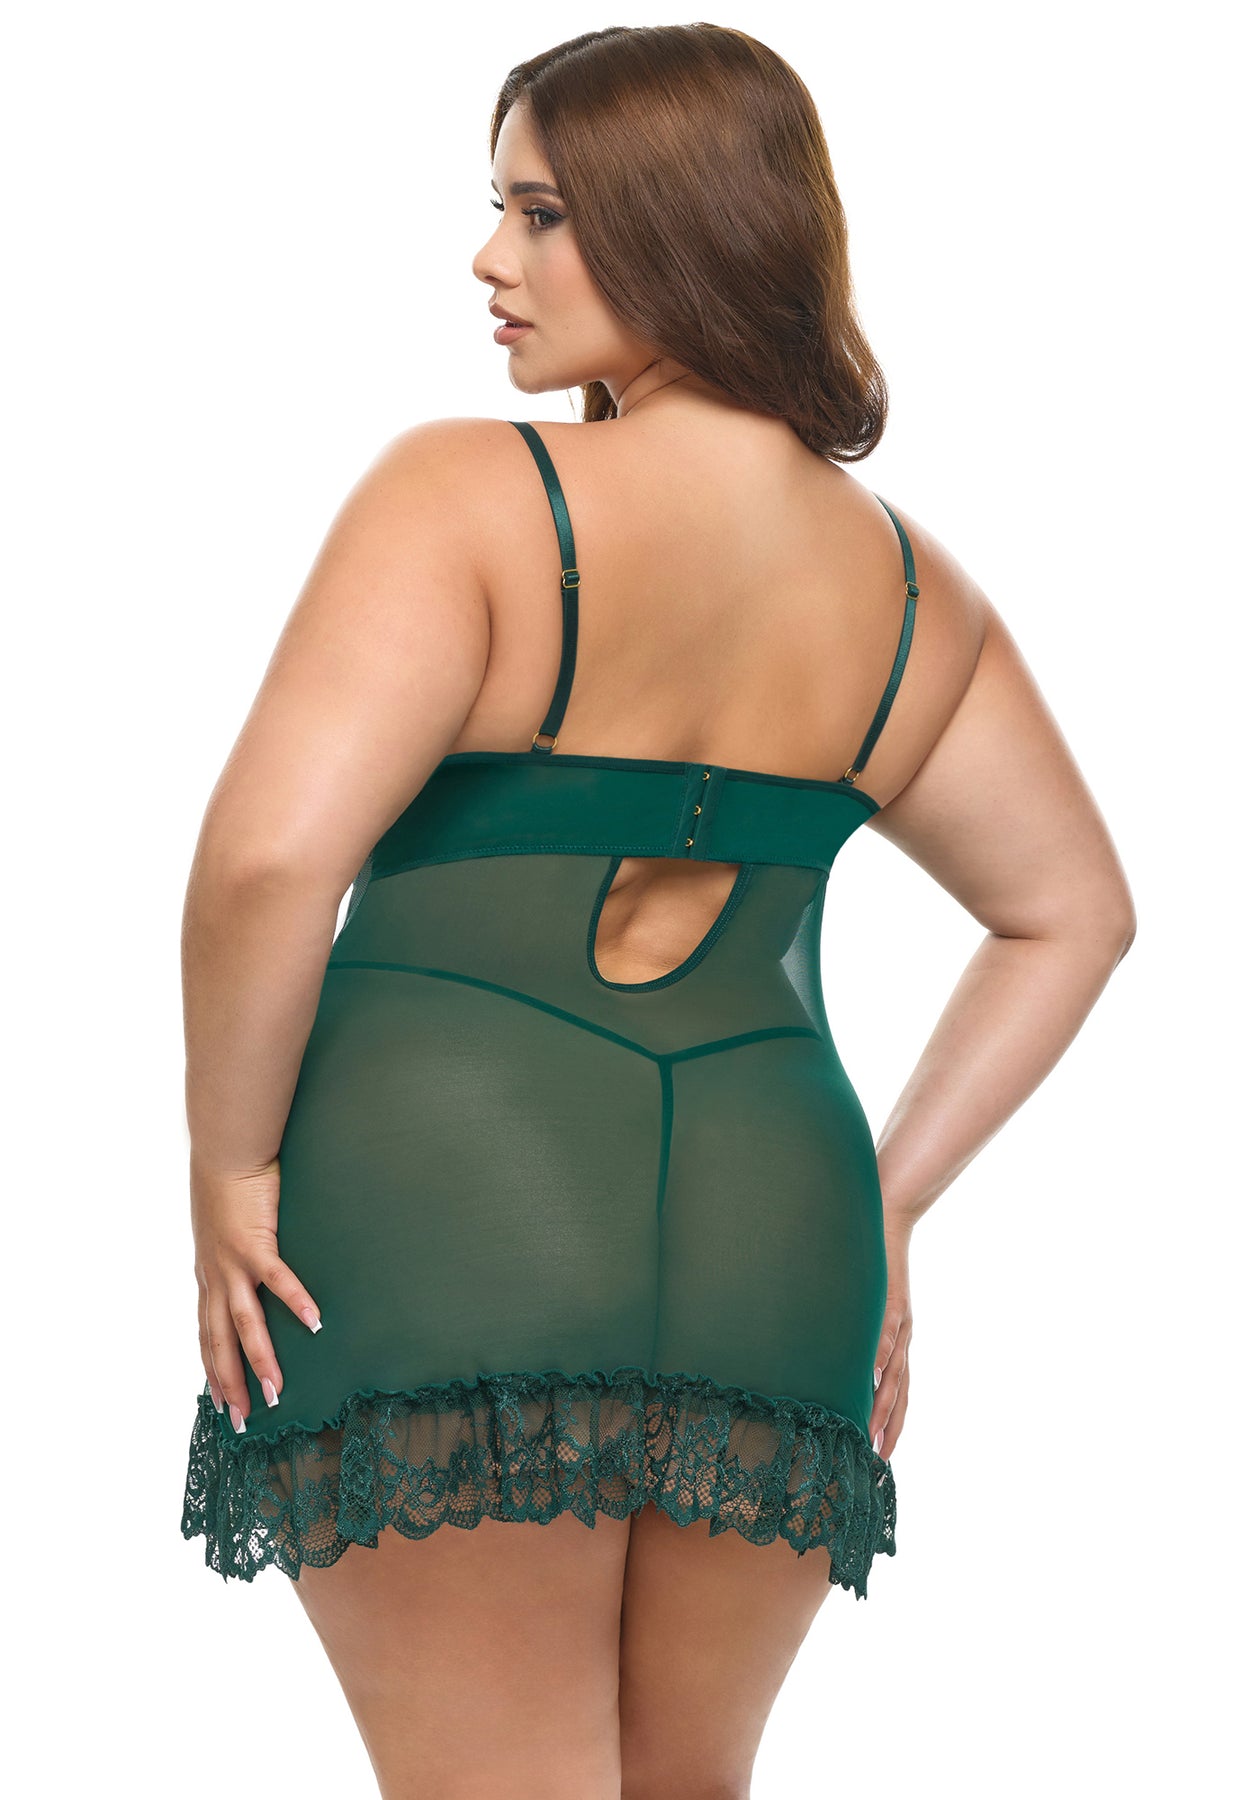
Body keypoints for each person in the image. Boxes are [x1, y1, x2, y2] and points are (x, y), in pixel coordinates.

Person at [179, 23, 1136, 1800]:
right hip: (780, 1225)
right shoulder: (911, 591)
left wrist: (229, 1167)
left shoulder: (470, 496)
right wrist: (890, 1199)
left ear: (683, 222)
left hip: (458, 1197)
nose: (491, 260)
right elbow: (1073, 911)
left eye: (540, 216)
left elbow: (263, 865)